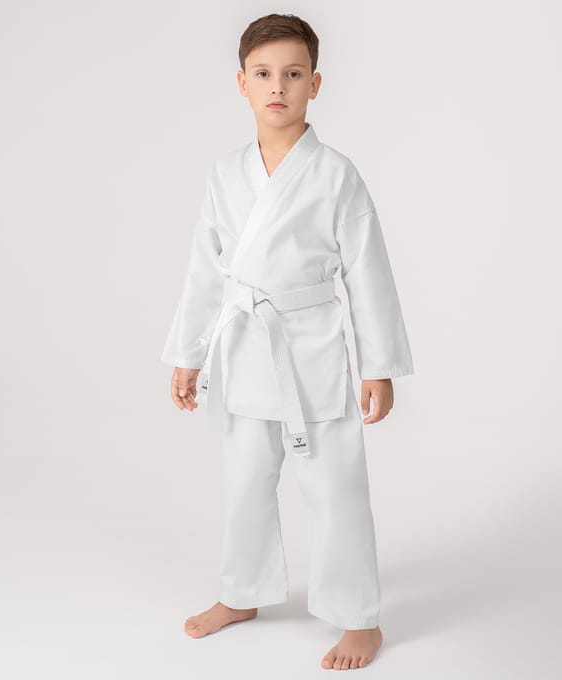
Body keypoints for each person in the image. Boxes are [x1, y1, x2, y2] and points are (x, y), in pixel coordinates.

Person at [160, 13, 414, 671]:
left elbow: (368, 272)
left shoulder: (336, 174)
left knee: (335, 487)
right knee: (245, 481)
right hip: (244, 347)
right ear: (242, 83)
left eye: (293, 74)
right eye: (265, 74)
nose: (279, 86)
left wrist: (378, 365)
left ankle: (359, 618)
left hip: (312, 350)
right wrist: (188, 353)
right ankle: (241, 593)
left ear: (315, 84)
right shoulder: (224, 173)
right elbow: (206, 270)